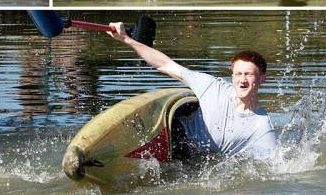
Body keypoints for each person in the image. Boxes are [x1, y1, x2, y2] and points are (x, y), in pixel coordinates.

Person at [107, 22, 276, 160]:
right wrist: (127, 40)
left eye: (249, 74)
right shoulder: (212, 86)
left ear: (262, 78)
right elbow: (164, 64)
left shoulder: (261, 125)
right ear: (232, 76)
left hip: (197, 164)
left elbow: (272, 167)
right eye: (238, 74)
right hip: (175, 139)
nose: (242, 80)